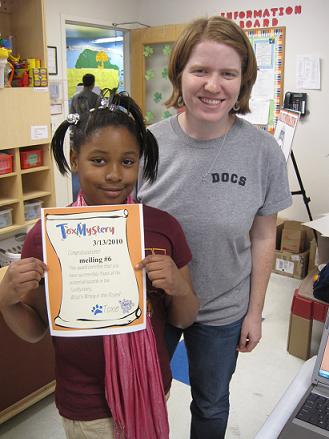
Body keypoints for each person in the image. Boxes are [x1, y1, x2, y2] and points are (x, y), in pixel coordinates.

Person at [0, 91, 199, 439]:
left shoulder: (163, 227)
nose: (114, 175)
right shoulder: (47, 236)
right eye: (98, 160)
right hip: (85, 407)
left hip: (150, 388)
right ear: (75, 159)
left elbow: (184, 317)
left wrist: (178, 286)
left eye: (127, 161)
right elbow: (34, 330)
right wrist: (5, 297)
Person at [136, 16, 292, 439]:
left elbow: (263, 236)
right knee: (144, 397)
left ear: (243, 82)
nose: (212, 85)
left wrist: (255, 313)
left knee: (210, 403)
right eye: (200, 70)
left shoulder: (262, 151)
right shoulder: (146, 145)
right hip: (155, 307)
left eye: (228, 73)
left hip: (223, 309)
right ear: (179, 74)